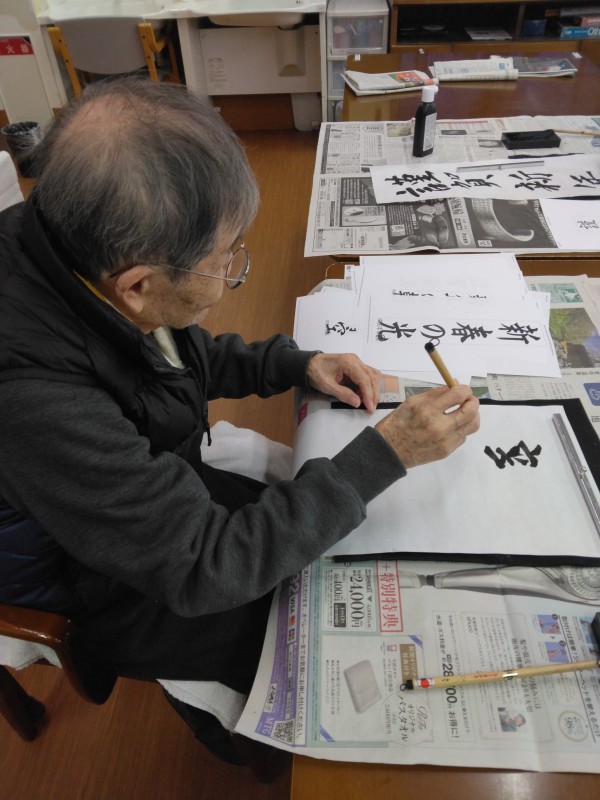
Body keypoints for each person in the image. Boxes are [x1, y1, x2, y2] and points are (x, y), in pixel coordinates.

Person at [0, 78, 480, 766]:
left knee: (311, 536)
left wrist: (290, 364)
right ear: (136, 284)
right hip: (86, 575)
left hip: (135, 490)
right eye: (225, 259)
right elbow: (204, 567)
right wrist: (387, 453)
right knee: (296, 644)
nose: (233, 270)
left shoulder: (67, 238)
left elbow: (165, 354)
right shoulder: (35, 398)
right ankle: (254, 748)